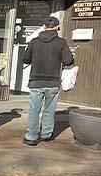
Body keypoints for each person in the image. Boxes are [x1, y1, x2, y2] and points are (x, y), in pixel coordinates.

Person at [22, 16, 74, 146]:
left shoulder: (34, 42)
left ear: (44, 26)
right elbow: (68, 61)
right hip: (53, 83)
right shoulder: (61, 42)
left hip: (35, 82)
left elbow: (26, 59)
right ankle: (46, 134)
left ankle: (31, 137)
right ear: (57, 27)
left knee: (34, 110)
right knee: (49, 110)